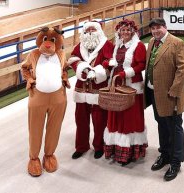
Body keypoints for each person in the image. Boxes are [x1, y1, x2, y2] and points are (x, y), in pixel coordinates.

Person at [144, 18, 184, 181]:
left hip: (171, 95)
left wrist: (174, 91)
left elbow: (182, 69)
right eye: (152, 29)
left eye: (158, 28)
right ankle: (165, 154)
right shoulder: (151, 42)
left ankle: (175, 162)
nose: (155, 31)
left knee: (175, 127)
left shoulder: (177, 43)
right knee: (162, 124)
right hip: (154, 93)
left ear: (165, 27)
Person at [103, 19, 148, 166]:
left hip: (131, 86)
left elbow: (141, 64)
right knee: (116, 114)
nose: (125, 32)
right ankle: (116, 149)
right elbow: (114, 62)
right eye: (123, 30)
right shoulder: (117, 46)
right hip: (116, 84)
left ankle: (130, 152)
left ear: (133, 31)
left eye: (128, 30)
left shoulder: (139, 46)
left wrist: (126, 73)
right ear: (119, 32)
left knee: (130, 117)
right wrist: (108, 65)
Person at [68, 21, 114, 159]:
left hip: (99, 88)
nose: (90, 33)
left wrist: (98, 71)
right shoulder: (80, 46)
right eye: (87, 30)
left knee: (100, 120)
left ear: (99, 31)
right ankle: (81, 146)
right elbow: (73, 59)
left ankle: (99, 146)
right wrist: (82, 68)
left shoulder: (107, 45)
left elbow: (111, 61)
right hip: (81, 89)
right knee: (80, 120)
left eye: (93, 30)